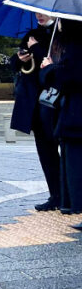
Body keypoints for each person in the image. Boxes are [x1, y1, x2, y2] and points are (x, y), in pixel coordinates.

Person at [10, 13, 59, 210]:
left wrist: (36, 49)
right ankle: (55, 195)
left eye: (43, 12)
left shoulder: (62, 35)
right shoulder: (32, 34)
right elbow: (15, 63)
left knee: (63, 149)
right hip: (35, 101)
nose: (39, 15)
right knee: (45, 151)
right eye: (37, 12)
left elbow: (55, 65)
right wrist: (20, 58)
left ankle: (70, 194)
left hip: (56, 99)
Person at [40, 18, 82, 223]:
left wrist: (50, 68)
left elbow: (70, 77)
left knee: (76, 164)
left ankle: (75, 204)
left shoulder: (75, 47)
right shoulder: (72, 46)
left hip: (76, 115)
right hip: (74, 115)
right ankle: (69, 202)